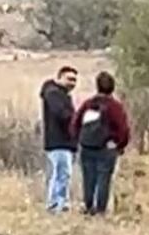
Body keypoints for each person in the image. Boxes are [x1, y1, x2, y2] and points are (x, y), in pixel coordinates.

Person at [70, 71, 132, 214]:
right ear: (113, 87)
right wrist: (119, 144)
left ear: (97, 86)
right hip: (106, 148)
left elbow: (75, 123)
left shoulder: (88, 104)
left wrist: (79, 139)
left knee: (88, 178)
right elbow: (123, 129)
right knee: (103, 178)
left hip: (86, 147)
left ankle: (88, 206)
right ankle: (100, 209)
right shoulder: (115, 106)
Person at [40, 65, 78, 213]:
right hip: (58, 141)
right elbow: (62, 115)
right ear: (59, 77)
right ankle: (56, 204)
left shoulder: (58, 94)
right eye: (69, 79)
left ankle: (60, 203)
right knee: (62, 173)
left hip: (63, 141)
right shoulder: (54, 94)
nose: (72, 83)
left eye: (74, 80)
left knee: (61, 173)